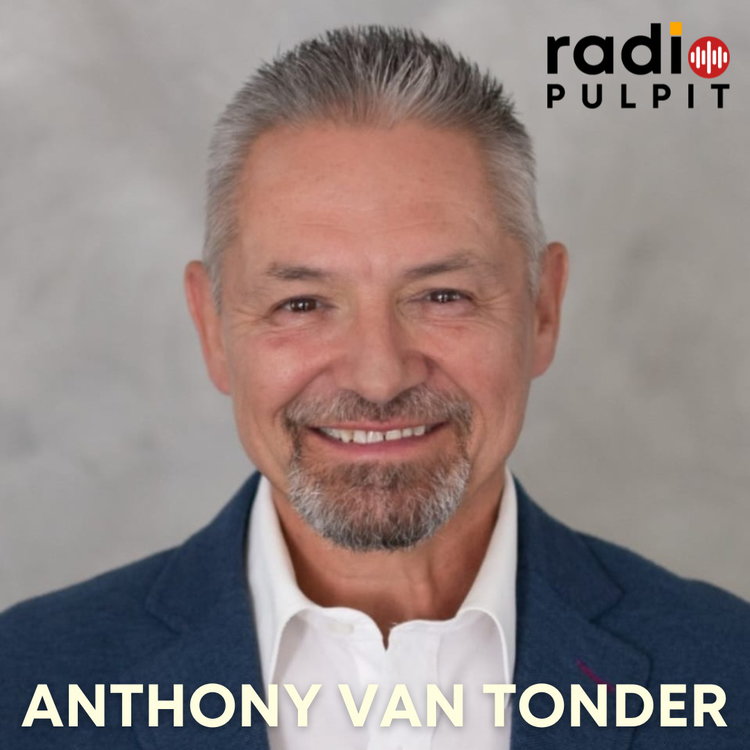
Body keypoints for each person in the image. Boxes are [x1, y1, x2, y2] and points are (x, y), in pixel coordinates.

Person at [1, 26, 748, 749]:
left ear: (543, 309)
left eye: (443, 296)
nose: (379, 376)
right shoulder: (23, 681)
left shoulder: (729, 673)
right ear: (212, 328)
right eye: (301, 304)